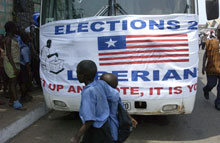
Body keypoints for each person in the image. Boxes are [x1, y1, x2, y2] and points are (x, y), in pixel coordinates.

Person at [71, 60, 120, 143]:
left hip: (95, 131)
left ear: (82, 76)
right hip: (105, 126)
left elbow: (90, 120)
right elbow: (115, 96)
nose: (77, 75)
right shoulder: (101, 83)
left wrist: (77, 136)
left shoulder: (88, 92)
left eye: (78, 73)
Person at [100, 73, 138, 142]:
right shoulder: (115, 94)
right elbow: (122, 108)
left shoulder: (102, 95)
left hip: (105, 131)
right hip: (114, 130)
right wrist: (130, 118)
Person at [3, 21, 23, 109]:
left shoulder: (14, 38)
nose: (16, 29)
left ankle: (12, 101)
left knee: (13, 82)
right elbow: (9, 54)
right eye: (14, 27)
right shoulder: (8, 39)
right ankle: (16, 103)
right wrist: (14, 67)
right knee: (13, 82)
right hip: (10, 63)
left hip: (15, 62)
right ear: (11, 29)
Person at [202, 24, 220, 111]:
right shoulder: (211, 42)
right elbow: (205, 55)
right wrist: (202, 66)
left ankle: (218, 103)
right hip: (211, 68)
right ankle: (206, 89)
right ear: (217, 32)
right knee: (211, 84)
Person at [18, 32, 32, 103]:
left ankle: (25, 95)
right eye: (29, 36)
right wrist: (29, 71)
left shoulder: (23, 46)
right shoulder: (25, 49)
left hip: (21, 66)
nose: (30, 38)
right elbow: (26, 62)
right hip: (23, 67)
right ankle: (23, 96)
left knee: (23, 82)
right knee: (24, 82)